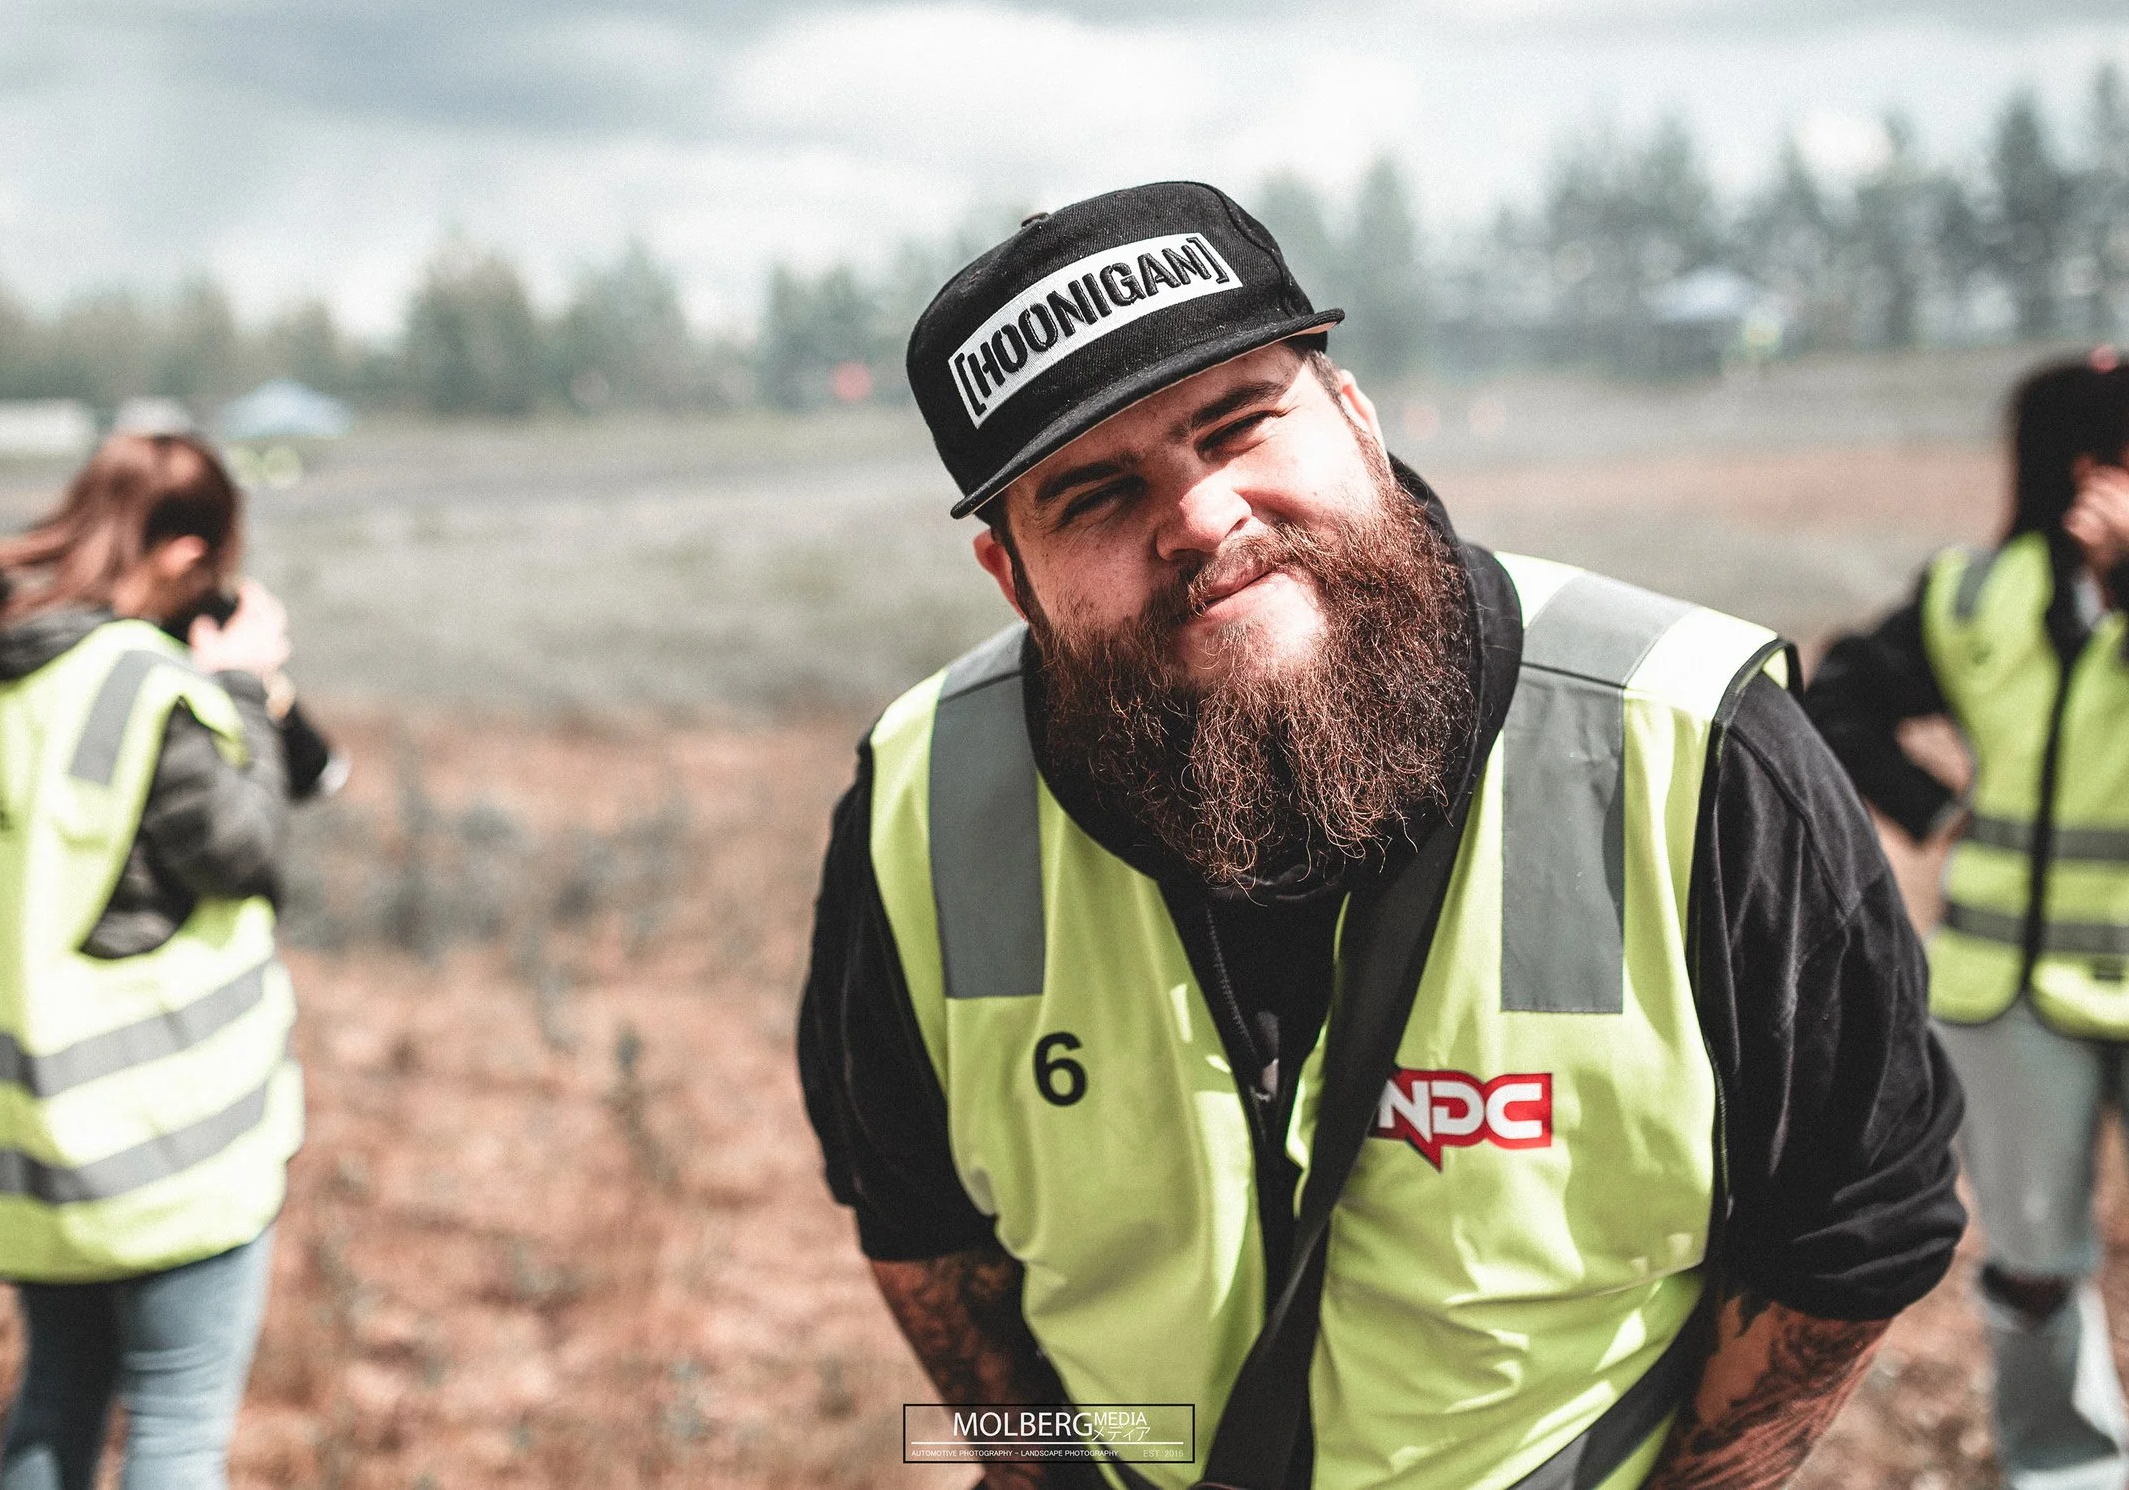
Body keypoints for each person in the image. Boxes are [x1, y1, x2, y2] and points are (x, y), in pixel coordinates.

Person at [797, 182, 1965, 1490]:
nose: (1198, 514)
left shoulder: (1696, 745)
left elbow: (1858, 1222)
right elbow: (917, 1226)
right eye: (1092, 494)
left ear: (1353, 413)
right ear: (1011, 575)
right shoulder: (921, 800)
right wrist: (1053, 1472)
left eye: (1237, 424)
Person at [1807, 350, 2129, 1490]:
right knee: (2031, 1277)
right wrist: (1935, 805)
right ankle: (2060, 1474)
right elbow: (1836, 696)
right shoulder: (1973, 592)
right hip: (2012, 999)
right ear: (2092, 469)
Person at [0, 433, 308, 1490]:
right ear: (182, 552)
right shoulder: (139, 688)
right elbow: (247, 850)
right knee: (173, 1421)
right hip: (162, 1145)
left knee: (57, 1397)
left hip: (13, 1136)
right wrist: (247, 688)